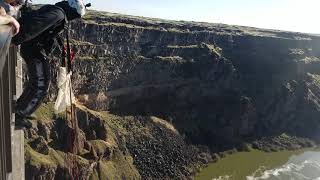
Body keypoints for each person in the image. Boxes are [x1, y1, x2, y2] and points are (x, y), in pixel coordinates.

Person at [12, 0, 87, 127]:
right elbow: (36, 26)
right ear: (72, 12)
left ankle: (21, 106)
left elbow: (41, 25)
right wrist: (15, 40)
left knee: (37, 81)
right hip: (34, 50)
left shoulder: (56, 12)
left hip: (33, 48)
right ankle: (20, 114)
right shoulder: (58, 15)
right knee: (41, 84)